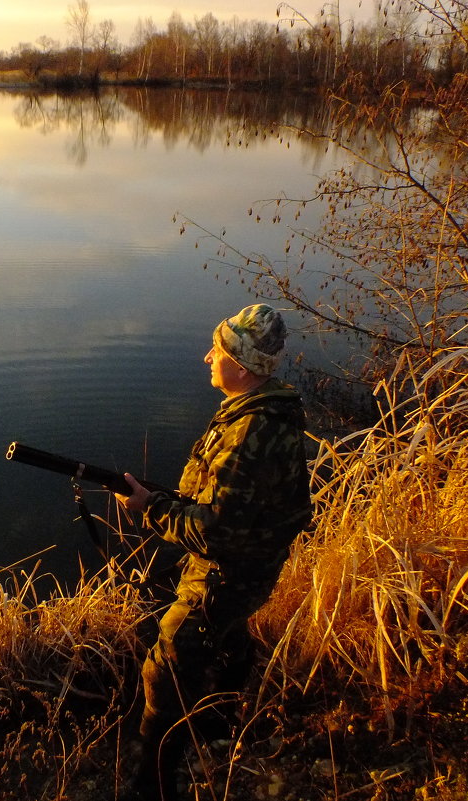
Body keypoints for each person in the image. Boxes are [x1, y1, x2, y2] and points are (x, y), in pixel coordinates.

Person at [114, 304, 313, 801]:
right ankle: (220, 717)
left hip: (229, 570)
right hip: (252, 565)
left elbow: (213, 534)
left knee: (167, 659)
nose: (206, 358)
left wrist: (149, 508)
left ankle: (153, 778)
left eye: (218, 351)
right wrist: (166, 499)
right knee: (225, 629)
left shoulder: (249, 433)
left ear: (242, 367)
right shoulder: (263, 409)